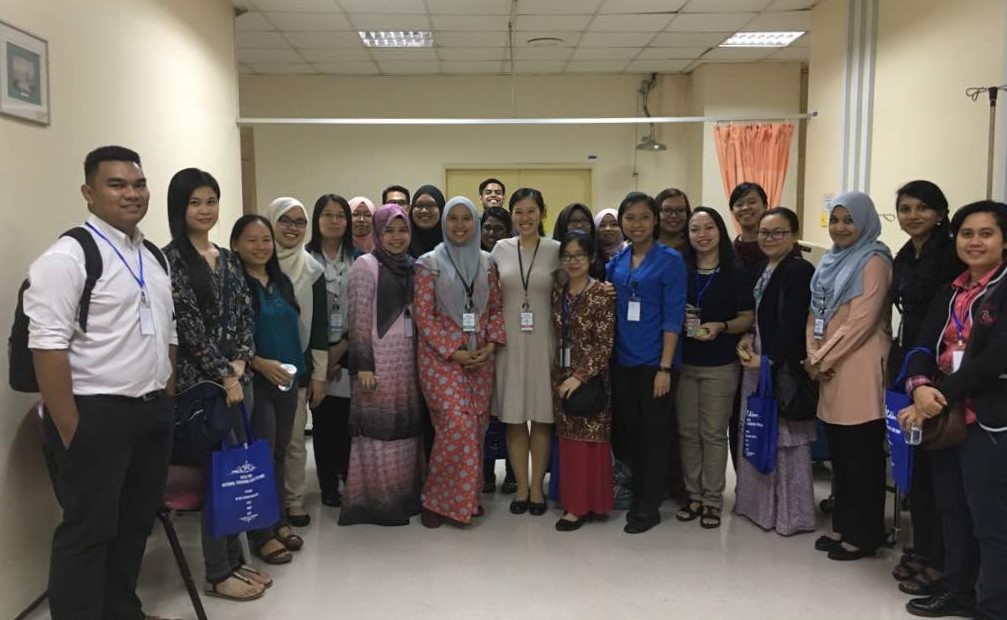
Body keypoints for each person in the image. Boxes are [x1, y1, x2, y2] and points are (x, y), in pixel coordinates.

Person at [27, 146, 178, 620]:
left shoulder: (153, 256)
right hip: (95, 416)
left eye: (138, 184)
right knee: (88, 533)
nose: (131, 194)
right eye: (117, 185)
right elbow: (47, 347)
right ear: (89, 193)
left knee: (134, 525)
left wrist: (166, 396)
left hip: (151, 413)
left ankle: (121, 612)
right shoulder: (69, 256)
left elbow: (169, 333)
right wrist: (71, 428)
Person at [164, 168, 270, 601]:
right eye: (195, 203)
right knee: (216, 477)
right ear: (179, 208)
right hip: (202, 389)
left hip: (238, 382)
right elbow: (187, 329)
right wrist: (224, 374)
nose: (205, 210)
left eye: (211, 201)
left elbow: (245, 316)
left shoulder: (226, 258)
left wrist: (240, 364)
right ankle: (217, 572)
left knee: (235, 475)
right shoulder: (171, 260)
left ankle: (235, 560)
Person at [900, 200, 1007, 620]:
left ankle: (993, 605)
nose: (975, 241)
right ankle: (958, 590)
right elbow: (923, 344)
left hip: (988, 419)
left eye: (986, 233)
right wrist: (919, 385)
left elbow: (995, 359)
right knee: (953, 510)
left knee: (990, 519)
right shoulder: (953, 289)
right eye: (967, 233)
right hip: (946, 419)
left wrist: (937, 395)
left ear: (1004, 241)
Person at [806, 191, 892, 561]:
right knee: (841, 456)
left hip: (858, 367)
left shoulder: (874, 261)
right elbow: (815, 314)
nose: (840, 228)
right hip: (829, 369)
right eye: (835, 220)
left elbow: (861, 322)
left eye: (849, 220)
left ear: (865, 222)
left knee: (862, 457)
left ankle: (864, 535)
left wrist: (821, 358)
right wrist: (813, 354)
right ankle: (843, 527)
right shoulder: (830, 261)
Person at [888, 180, 963, 595]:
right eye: (905, 208)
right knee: (914, 466)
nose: (913, 215)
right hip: (909, 361)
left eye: (922, 208)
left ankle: (941, 560)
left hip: (938, 368)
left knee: (937, 472)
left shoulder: (950, 256)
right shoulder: (905, 255)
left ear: (940, 212)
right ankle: (924, 546)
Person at [415, 197, 506, 527]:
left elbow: (495, 308)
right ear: (444, 223)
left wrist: (491, 346)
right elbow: (423, 317)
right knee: (456, 425)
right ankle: (436, 501)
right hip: (441, 358)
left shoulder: (488, 262)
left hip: (480, 357)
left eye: (466, 218)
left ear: (475, 222)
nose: (459, 225)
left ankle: (466, 499)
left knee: (477, 427)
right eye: (452, 218)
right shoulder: (429, 263)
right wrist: (454, 350)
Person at [340, 205, 425, 526]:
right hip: (376, 363)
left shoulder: (414, 267)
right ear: (378, 232)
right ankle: (379, 502)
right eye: (389, 230)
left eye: (402, 230)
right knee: (377, 434)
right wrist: (364, 365)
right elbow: (358, 319)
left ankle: (403, 498)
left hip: (407, 362)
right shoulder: (366, 265)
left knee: (405, 433)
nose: (397, 237)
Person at [607, 191, 686, 534]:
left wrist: (665, 367)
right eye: (630, 217)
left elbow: (673, 317)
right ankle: (637, 491)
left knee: (655, 434)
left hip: (657, 363)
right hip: (623, 361)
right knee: (630, 433)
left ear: (655, 220)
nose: (636, 224)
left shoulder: (670, 260)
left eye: (643, 217)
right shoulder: (618, 260)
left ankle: (649, 505)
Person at [735, 207, 817, 536]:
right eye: (765, 232)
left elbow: (793, 322)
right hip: (756, 359)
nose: (769, 238)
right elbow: (758, 314)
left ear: (794, 235)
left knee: (784, 440)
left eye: (778, 232)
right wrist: (747, 337)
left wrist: (769, 359)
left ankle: (790, 515)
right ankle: (759, 508)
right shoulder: (762, 267)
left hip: (778, 365)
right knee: (759, 430)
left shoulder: (798, 269)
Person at [231, 215, 305, 565]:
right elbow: (232, 337)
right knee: (260, 455)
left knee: (279, 453)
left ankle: (277, 521)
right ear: (235, 245)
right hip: (255, 382)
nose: (261, 247)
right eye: (252, 240)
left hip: (287, 381)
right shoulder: (235, 286)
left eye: (265, 240)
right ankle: (261, 533)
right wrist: (258, 363)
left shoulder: (282, 282)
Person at [675, 207, 754, 529]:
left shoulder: (735, 272)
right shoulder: (681, 269)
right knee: (687, 433)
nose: (702, 235)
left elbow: (747, 317)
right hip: (685, 362)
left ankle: (712, 499)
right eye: (695, 229)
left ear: (719, 231)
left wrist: (722, 326)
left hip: (721, 365)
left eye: (708, 227)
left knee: (713, 434)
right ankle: (693, 495)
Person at [492, 188, 561, 516]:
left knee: (542, 417)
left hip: (544, 342)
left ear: (542, 213)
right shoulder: (500, 249)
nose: (525, 217)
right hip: (509, 345)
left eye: (531, 210)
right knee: (514, 418)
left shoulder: (556, 250)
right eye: (518, 211)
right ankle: (520, 487)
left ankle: (537, 488)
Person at [267, 197, 328, 528]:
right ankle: (267, 503)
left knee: (293, 441)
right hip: (258, 366)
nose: (293, 228)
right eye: (285, 221)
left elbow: (319, 327)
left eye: (300, 222)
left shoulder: (313, 269)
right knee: (263, 441)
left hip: (298, 364)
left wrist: (319, 375)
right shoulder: (256, 261)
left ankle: (294, 500)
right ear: (271, 222)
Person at [552, 232, 616, 531]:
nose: (573, 261)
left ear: (591, 258)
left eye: (579, 255)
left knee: (590, 443)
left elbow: (604, 344)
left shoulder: (603, 293)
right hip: (560, 375)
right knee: (569, 442)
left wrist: (579, 377)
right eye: (567, 256)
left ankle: (587, 505)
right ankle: (575, 501)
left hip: (591, 378)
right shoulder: (558, 293)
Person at [306, 194, 357, 508]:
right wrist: (324, 358)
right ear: (317, 220)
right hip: (316, 352)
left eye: (340, 215)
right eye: (328, 214)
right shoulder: (305, 258)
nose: (335, 221)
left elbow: (366, 307)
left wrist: (342, 350)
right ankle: (328, 485)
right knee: (324, 423)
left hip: (350, 349)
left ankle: (351, 479)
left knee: (349, 422)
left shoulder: (360, 258)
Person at [479, 206, 518, 494]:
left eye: (499, 228)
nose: (492, 233)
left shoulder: (515, 257)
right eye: (488, 227)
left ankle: (514, 472)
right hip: (481, 344)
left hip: (512, 340)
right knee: (486, 409)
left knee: (511, 407)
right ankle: (487, 472)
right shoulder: (472, 259)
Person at [552, 202, 605, 280]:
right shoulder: (552, 255)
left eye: (584, 221)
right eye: (573, 221)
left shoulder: (602, 257)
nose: (579, 225)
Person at [729, 182, 771, 270]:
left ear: (765, 206)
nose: (745, 208)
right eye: (739, 204)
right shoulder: (729, 250)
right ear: (732, 211)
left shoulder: (777, 245)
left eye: (752, 202)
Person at [409, 184, 445, 258]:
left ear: (441, 209)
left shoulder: (452, 245)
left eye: (430, 205)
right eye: (419, 205)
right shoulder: (401, 243)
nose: (424, 210)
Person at [656, 187, 691, 253]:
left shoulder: (695, 246)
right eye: (667, 210)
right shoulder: (645, 246)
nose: (674, 215)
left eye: (680, 210)